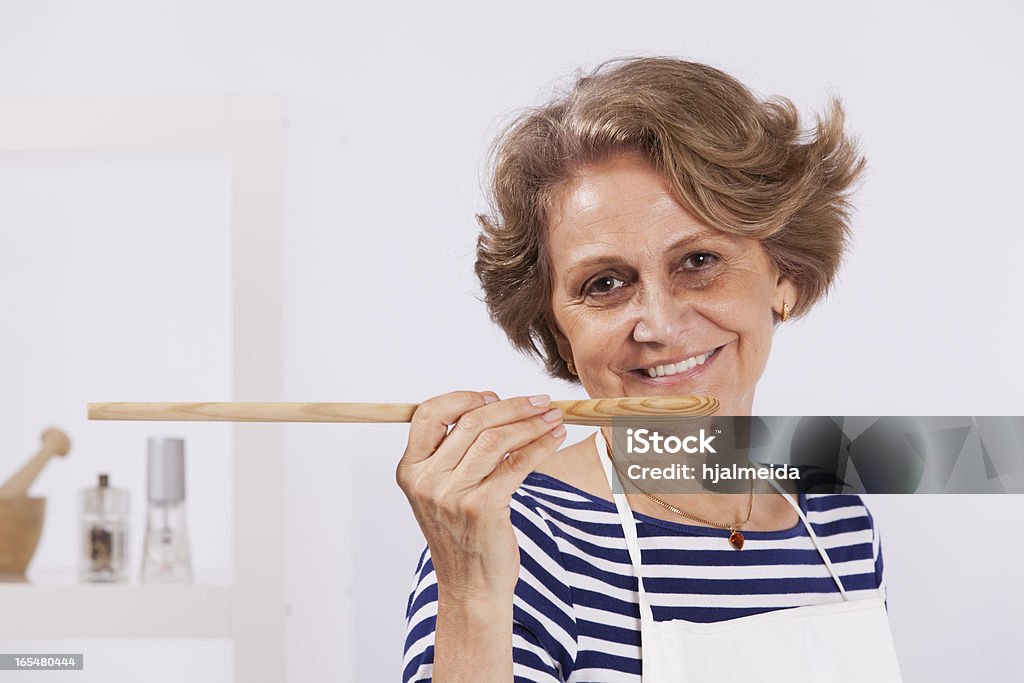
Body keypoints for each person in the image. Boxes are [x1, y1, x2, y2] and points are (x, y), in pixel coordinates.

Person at [398, 56, 901, 682]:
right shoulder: (517, 536)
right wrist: (471, 592)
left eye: (698, 260)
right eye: (604, 283)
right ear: (559, 326)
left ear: (785, 277)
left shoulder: (835, 515)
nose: (658, 326)